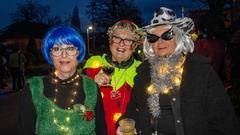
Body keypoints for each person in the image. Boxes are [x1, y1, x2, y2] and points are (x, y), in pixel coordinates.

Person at [116, 7, 240, 135]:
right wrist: (123, 122)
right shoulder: (143, 74)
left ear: (179, 37)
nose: (160, 42)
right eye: (153, 37)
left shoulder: (201, 71)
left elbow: (225, 121)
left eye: (167, 35)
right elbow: (132, 111)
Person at [19, 26, 107, 135]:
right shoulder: (33, 89)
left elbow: (101, 130)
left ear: (78, 52)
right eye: (57, 49)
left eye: (70, 48)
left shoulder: (91, 87)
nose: (64, 55)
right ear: (50, 55)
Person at [83, 20, 143, 135]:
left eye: (128, 40)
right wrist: (91, 81)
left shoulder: (141, 70)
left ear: (134, 46)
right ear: (110, 41)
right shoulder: (94, 64)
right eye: (117, 38)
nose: (121, 43)